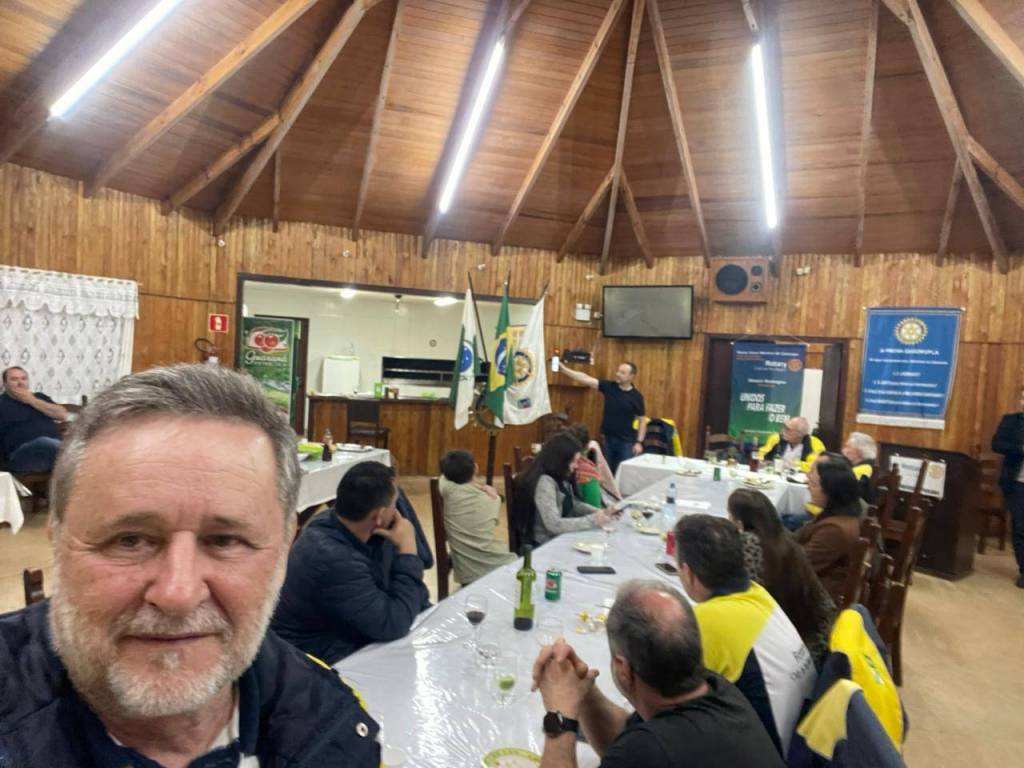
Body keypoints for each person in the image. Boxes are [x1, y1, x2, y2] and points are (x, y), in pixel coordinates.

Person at [0, 364, 380, 767]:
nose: (177, 594)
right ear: (57, 539)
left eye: (225, 541)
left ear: (285, 548)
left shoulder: (335, 722)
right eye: (130, 540)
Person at [531, 580, 785, 768]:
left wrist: (559, 716)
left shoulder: (650, 751)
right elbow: (623, 739)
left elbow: (638, 751)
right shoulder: (718, 690)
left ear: (622, 669)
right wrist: (583, 692)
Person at [673, 514, 816, 757]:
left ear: (687, 572)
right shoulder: (756, 592)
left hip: (771, 753)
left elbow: (663, 696)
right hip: (800, 739)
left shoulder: (708, 620)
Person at [272, 461, 430, 664]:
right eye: (394, 504)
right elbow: (392, 624)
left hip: (345, 629)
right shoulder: (331, 556)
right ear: (379, 515)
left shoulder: (361, 528)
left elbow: (418, 598)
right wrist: (408, 552)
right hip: (310, 655)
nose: (398, 512)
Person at [727, 488, 836, 667]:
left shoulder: (750, 545)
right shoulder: (784, 537)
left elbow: (741, 598)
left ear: (739, 523)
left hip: (794, 651)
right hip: (818, 636)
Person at [510, 433, 615, 549]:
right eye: (573, 461)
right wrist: (593, 520)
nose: (576, 466)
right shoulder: (544, 483)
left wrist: (601, 512)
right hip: (543, 545)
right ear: (560, 460)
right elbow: (554, 524)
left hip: (558, 538)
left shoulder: (561, 476)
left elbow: (573, 505)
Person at [437, 449, 516, 584]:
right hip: (499, 565)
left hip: (466, 573)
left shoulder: (447, 489)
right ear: (475, 468)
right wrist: (484, 488)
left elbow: (444, 477)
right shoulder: (492, 500)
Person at [797, 453, 865, 603]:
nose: (808, 486)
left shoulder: (834, 530)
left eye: (814, 484)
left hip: (815, 599)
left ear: (831, 491)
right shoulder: (836, 514)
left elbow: (798, 567)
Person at [558, 361, 647, 473]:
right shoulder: (609, 387)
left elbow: (642, 421)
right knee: (606, 472)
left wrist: (639, 442)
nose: (618, 374)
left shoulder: (637, 397)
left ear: (631, 376)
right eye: (618, 371)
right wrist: (564, 370)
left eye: (622, 373)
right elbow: (586, 378)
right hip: (607, 440)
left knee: (622, 473)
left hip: (626, 442)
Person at [0, 365, 67, 472]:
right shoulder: (2, 402)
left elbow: (62, 414)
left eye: (23, 378)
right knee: (45, 442)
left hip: (52, 455)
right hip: (21, 456)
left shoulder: (40, 397)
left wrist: (32, 400)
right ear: (5, 383)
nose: (20, 382)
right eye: (14, 379)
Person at [991, 385, 1024, 588]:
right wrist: (1021, 448)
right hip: (1017, 482)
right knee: (1020, 527)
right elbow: (997, 444)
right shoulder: (1011, 421)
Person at [564, 422, 621, 505]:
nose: (575, 466)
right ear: (587, 446)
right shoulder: (588, 476)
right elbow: (595, 507)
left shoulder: (556, 465)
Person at [758, 416, 825, 473]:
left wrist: (791, 464)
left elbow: (815, 467)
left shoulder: (816, 444)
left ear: (800, 434)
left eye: (787, 429)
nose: (782, 431)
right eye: (784, 427)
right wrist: (763, 461)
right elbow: (761, 454)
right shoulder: (776, 438)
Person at [841, 431, 878, 503]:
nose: (843, 451)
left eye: (847, 447)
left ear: (858, 452)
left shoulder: (863, 470)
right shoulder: (866, 467)